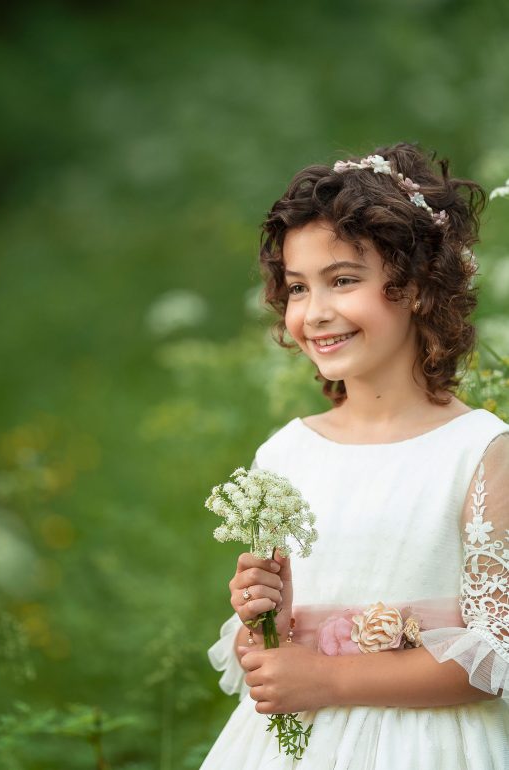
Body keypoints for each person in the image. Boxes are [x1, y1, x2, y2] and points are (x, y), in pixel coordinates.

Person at [200, 142, 509, 769]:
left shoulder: (479, 452)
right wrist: (268, 623)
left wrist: (329, 680)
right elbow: (266, 664)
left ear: (418, 287)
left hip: (430, 746)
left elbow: (493, 658)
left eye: (342, 280)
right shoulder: (285, 453)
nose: (315, 313)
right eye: (296, 288)